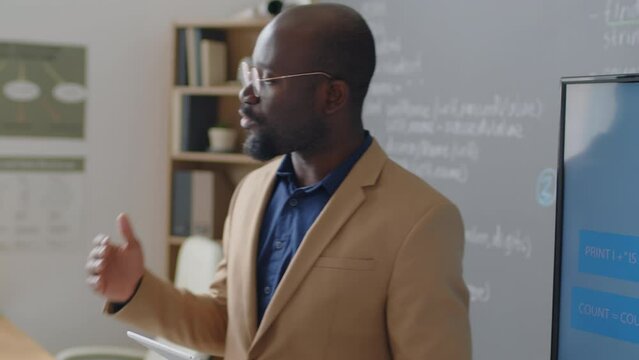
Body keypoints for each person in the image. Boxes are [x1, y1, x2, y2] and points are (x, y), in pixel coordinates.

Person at [86, 3, 471, 359]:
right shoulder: (251, 192)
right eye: (247, 74)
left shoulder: (421, 220)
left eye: (267, 79)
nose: (246, 94)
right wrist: (133, 289)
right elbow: (225, 323)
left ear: (332, 96)